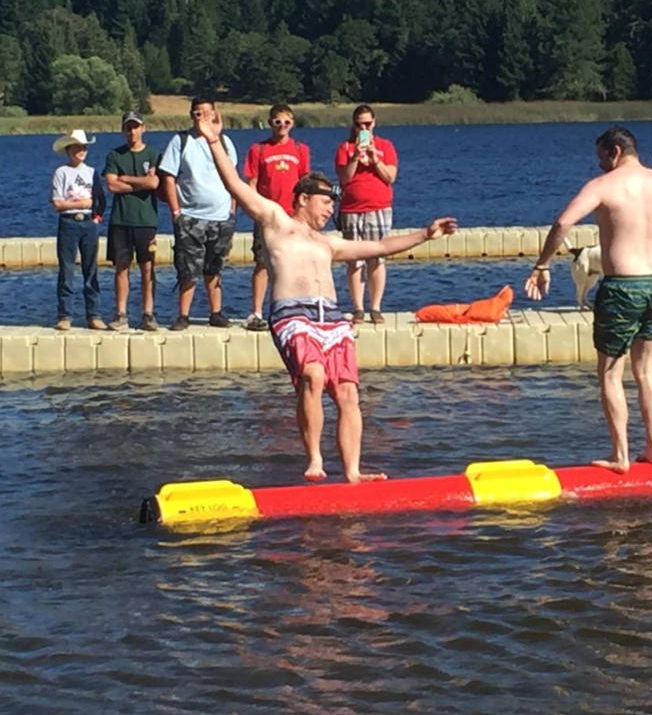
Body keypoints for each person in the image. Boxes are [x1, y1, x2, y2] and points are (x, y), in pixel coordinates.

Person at [196, 107, 457, 483]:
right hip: (292, 314)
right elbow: (235, 184)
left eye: (333, 204)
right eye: (325, 202)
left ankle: (352, 471)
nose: (330, 209)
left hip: (331, 319)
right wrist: (214, 140)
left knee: (349, 392)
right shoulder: (276, 220)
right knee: (313, 375)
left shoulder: (328, 242)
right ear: (303, 199)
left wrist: (424, 235)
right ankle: (315, 459)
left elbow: (378, 247)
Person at [523, 126, 652, 473]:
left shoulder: (603, 187)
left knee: (610, 374)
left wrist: (542, 264)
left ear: (614, 151)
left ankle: (621, 457)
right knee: (646, 371)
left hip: (622, 288)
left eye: (601, 157)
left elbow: (563, 222)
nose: (599, 165)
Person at [159, 96, 239, 330]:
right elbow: (168, 177)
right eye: (198, 113)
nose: (203, 117)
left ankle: (216, 313)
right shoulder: (180, 141)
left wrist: (232, 209)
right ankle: (183, 315)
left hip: (221, 216)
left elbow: (232, 176)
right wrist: (176, 211)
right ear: (191, 116)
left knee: (215, 267)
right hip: (191, 216)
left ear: (215, 114)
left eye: (208, 112)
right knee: (187, 268)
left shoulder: (224, 142)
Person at [242, 103, 311, 332]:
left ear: (292, 123)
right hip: (267, 216)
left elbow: (305, 184)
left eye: (287, 122)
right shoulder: (258, 149)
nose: (282, 126)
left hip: (292, 215)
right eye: (278, 122)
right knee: (262, 262)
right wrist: (254, 210)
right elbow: (251, 183)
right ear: (270, 123)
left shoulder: (300, 149)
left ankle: (296, 307)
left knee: (296, 262)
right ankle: (256, 312)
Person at [335, 104, 399, 324]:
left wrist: (374, 158)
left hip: (379, 207)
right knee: (354, 260)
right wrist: (355, 157)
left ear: (374, 123)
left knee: (377, 258)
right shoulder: (344, 147)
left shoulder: (385, 146)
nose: (364, 127)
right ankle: (358, 307)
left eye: (368, 124)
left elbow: (390, 177)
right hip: (352, 208)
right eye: (360, 124)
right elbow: (344, 178)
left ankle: (376, 307)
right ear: (353, 125)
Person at [103, 110, 163, 331]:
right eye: (128, 127)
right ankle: (121, 314)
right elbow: (111, 185)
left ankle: (148, 313)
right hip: (121, 220)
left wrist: (126, 179)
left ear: (143, 128)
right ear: (123, 130)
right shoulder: (115, 155)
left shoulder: (154, 154)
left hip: (146, 220)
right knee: (121, 267)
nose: (132, 131)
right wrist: (141, 183)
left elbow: (154, 183)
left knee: (148, 267)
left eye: (136, 126)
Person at [50, 128, 107, 331]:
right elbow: (57, 203)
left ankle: (94, 314)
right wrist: (83, 204)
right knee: (67, 270)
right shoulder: (61, 173)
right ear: (68, 150)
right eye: (76, 148)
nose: (80, 151)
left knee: (91, 270)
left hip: (89, 224)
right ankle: (65, 315)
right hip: (68, 222)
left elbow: (100, 200)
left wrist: (96, 217)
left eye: (83, 147)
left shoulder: (91, 172)